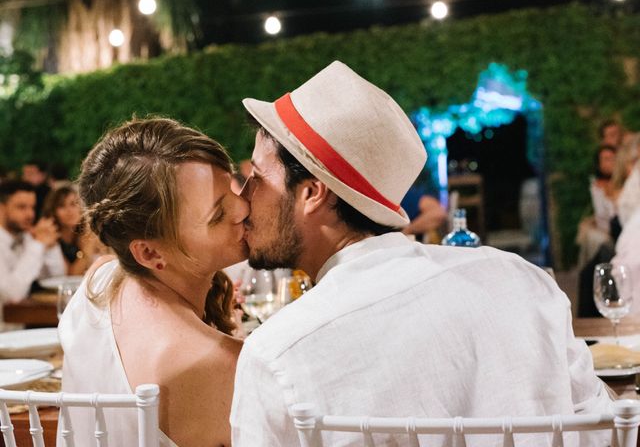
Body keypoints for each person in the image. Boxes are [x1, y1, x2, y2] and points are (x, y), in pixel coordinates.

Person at [230, 61, 612, 446]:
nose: (241, 198)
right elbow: (603, 430)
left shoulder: (276, 355)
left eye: (257, 179)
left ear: (312, 193)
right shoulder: (523, 280)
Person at [59, 118, 248, 446]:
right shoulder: (218, 363)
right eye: (217, 214)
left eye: (233, 187)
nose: (243, 207)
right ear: (148, 252)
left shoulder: (100, 280)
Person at [0, 180, 65, 330]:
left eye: (32, 207)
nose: (30, 214)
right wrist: (38, 244)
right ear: (1, 209)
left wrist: (50, 245)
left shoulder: (26, 238)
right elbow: (11, 295)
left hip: (23, 329)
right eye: (21, 207)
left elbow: (56, 278)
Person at [41, 185, 107, 275]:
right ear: (53, 211)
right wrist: (86, 252)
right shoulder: (52, 239)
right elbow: (70, 276)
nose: (69, 211)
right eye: (62, 206)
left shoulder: (85, 233)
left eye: (73, 204)